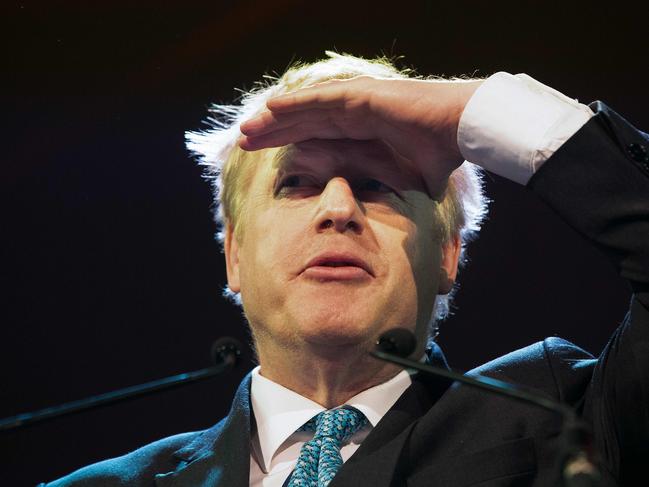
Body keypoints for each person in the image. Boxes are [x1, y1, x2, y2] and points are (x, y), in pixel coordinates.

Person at [41, 52, 648, 486]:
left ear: (447, 253)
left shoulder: (565, 420)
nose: (338, 210)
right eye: (296, 184)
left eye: (377, 186)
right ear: (233, 256)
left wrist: (478, 110)